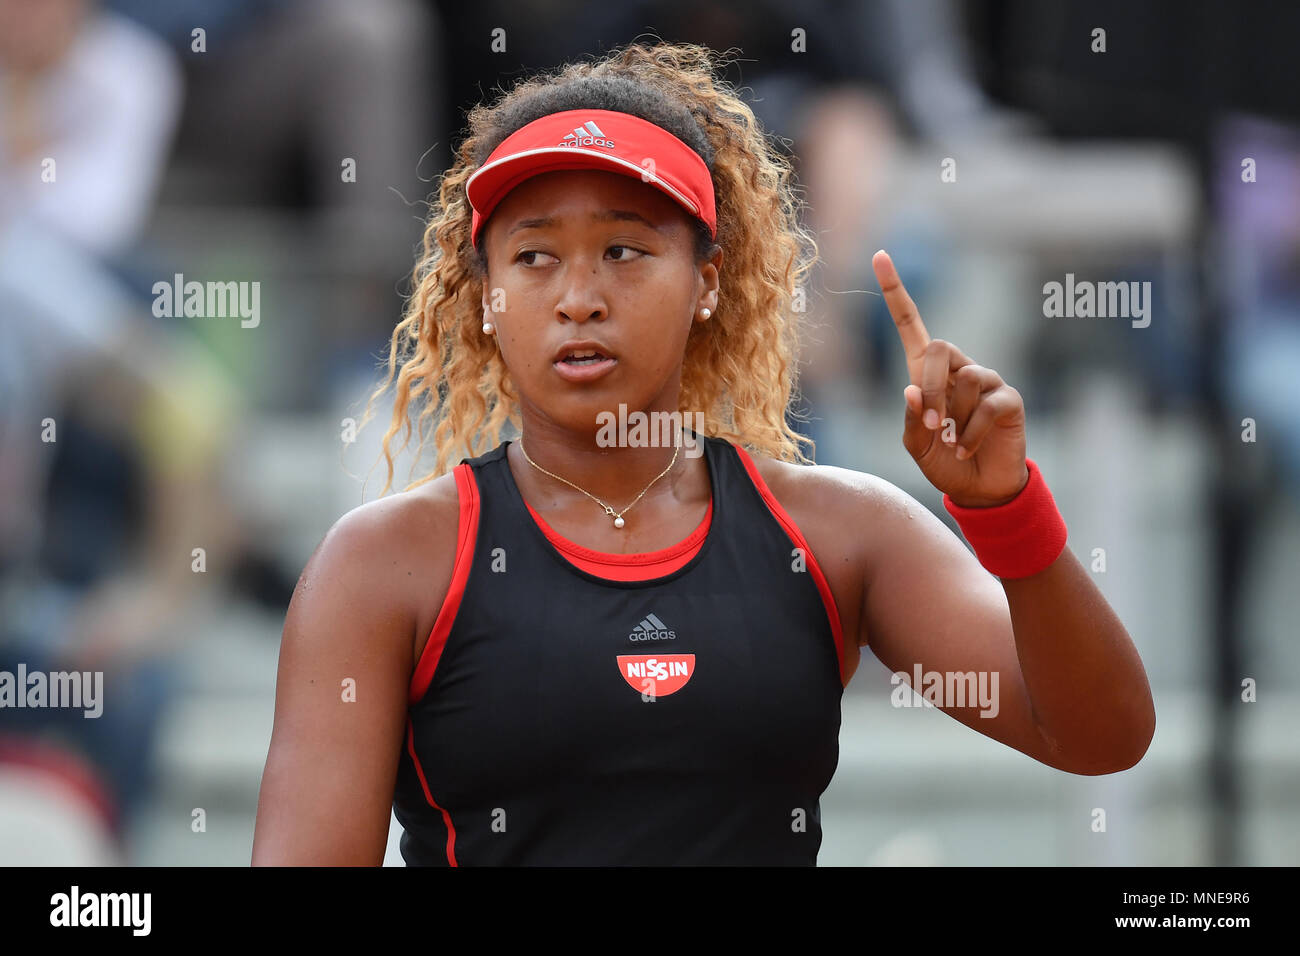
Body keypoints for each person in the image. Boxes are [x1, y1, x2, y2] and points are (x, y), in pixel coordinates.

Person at [251, 41, 1155, 866]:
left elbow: (1098, 736)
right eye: (533, 258)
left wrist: (1007, 513)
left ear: (708, 285)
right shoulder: (381, 566)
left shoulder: (839, 531)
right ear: (484, 294)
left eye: (623, 249)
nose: (579, 297)